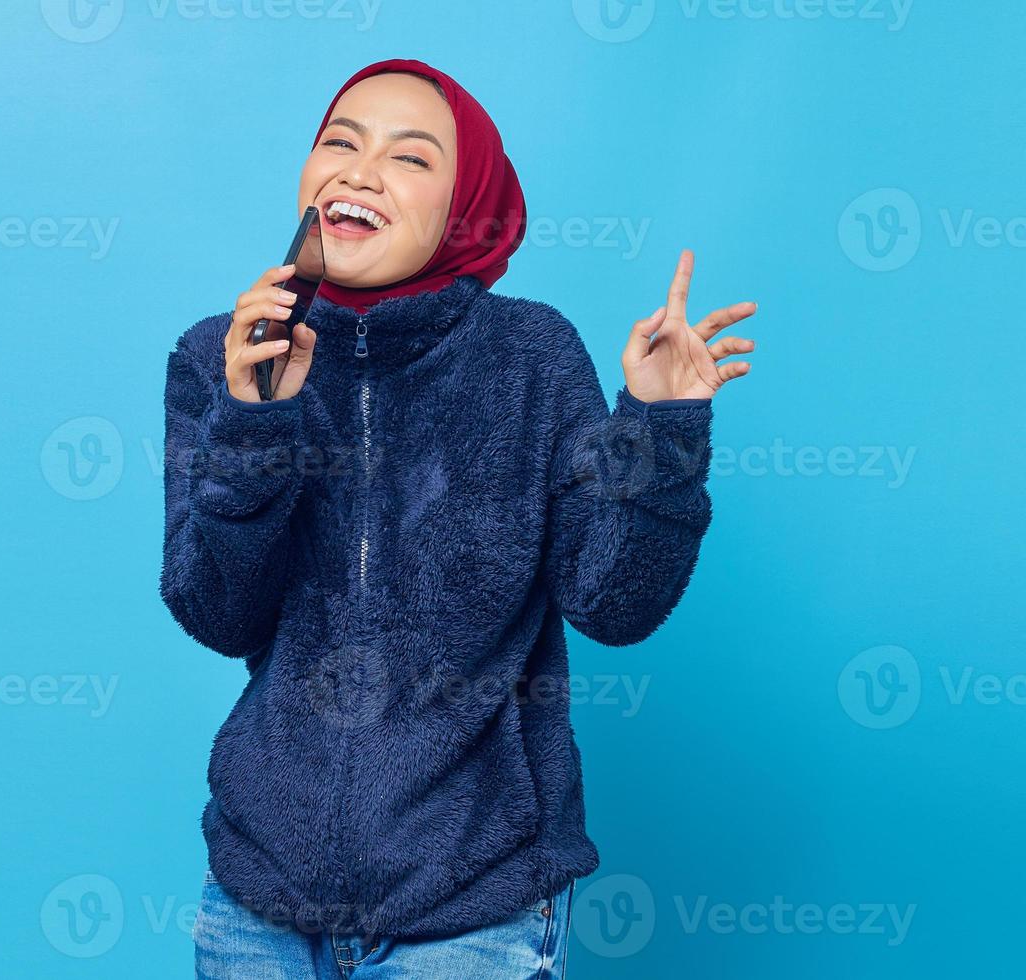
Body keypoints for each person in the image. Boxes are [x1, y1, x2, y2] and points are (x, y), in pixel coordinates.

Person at [160, 57, 757, 979]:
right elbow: (216, 613)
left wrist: (660, 429)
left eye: (410, 158)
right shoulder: (219, 358)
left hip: (473, 910)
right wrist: (255, 421)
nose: (360, 172)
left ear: (464, 207)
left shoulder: (531, 355)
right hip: (257, 906)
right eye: (340, 144)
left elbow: (614, 603)